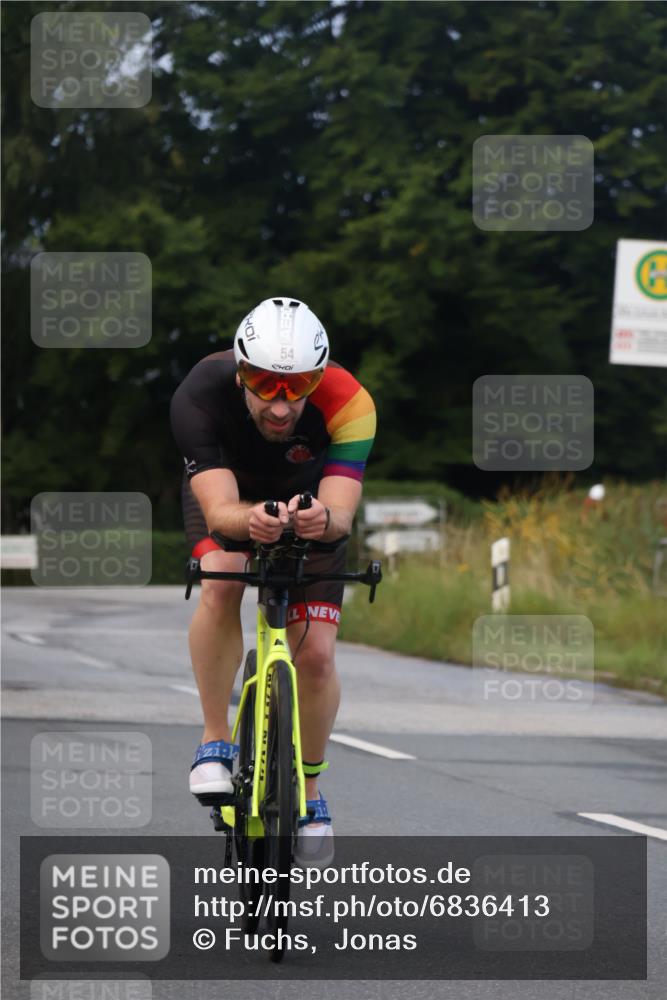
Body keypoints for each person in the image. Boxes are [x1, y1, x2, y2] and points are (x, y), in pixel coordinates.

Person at [170, 297, 376, 866]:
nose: (282, 406)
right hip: (230, 497)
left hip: (310, 504)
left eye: (299, 386)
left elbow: (341, 513)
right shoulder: (199, 394)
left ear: (319, 377)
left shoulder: (351, 403)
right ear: (241, 371)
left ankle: (309, 791)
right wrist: (250, 521)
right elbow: (219, 512)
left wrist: (322, 520)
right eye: (264, 385)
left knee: (317, 657)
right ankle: (214, 739)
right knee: (223, 579)